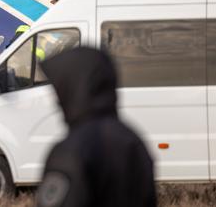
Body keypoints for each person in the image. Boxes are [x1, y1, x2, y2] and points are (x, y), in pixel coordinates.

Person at [36, 48, 155, 207]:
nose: (56, 100)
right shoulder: (133, 141)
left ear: (74, 88)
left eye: (60, 89)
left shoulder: (71, 150)